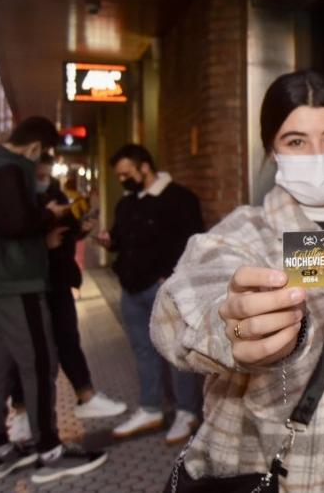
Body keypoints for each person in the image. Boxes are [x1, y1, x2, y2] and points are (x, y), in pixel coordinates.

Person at [151, 69, 324, 492]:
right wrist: (232, 328)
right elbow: (183, 306)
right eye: (296, 141)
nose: (318, 154)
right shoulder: (243, 234)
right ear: (272, 150)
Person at [0, 116, 108, 484]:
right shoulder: (5, 169)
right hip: (14, 280)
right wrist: (47, 216)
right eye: (42, 156)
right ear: (36, 148)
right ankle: (49, 451)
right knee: (39, 360)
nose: (40, 164)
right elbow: (16, 224)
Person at [6, 155, 126, 444]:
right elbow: (11, 242)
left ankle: (86, 395)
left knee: (68, 338)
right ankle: (22, 413)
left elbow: (64, 229)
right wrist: (43, 244)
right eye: (40, 174)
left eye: (47, 174)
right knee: (28, 350)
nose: (45, 179)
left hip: (58, 278)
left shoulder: (56, 193)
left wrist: (78, 230)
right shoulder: (14, 200)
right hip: (29, 285)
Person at [95, 144, 205, 444]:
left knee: (176, 353)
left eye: (127, 174)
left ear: (145, 167)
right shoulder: (127, 203)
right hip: (131, 291)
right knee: (143, 350)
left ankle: (187, 411)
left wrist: (168, 277)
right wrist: (108, 241)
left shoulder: (179, 199)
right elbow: (120, 239)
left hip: (164, 289)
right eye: (119, 176)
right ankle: (150, 407)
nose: (123, 180)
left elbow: (194, 243)